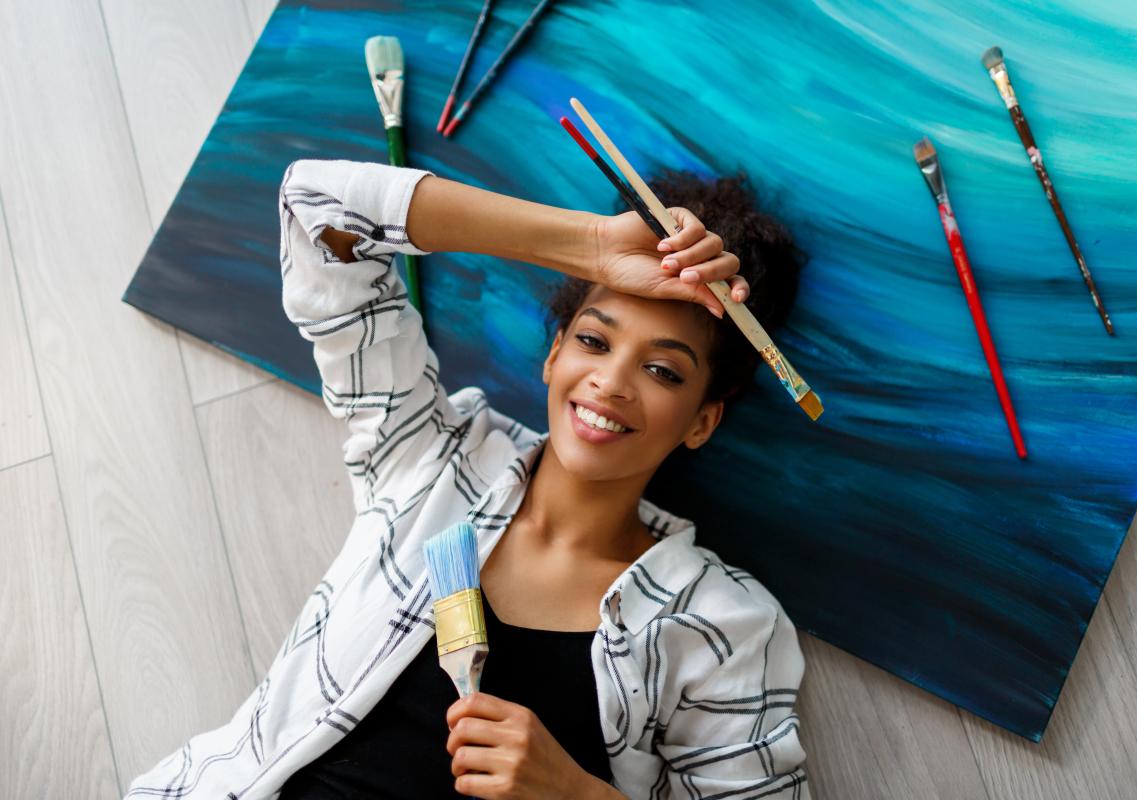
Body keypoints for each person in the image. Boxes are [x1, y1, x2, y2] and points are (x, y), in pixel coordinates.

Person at [124, 159, 812, 799]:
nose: (610, 382)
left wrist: (576, 795)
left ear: (702, 421)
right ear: (553, 355)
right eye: (593, 340)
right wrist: (593, 244)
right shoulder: (431, 458)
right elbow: (316, 206)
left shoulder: (723, 626)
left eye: (662, 371)